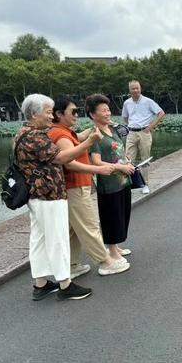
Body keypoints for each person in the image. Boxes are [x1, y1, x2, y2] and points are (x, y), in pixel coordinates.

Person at [15, 93, 103, 301]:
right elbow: (62, 157)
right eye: (47, 112)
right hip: (49, 194)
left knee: (39, 239)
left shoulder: (23, 132)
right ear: (35, 114)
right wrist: (89, 141)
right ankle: (65, 284)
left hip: (36, 195)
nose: (50, 116)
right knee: (57, 239)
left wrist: (84, 136)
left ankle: (41, 284)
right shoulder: (35, 136)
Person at [49, 96, 131, 277]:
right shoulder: (60, 134)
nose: (76, 115)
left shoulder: (63, 131)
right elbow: (68, 161)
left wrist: (87, 134)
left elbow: (75, 142)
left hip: (75, 186)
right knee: (89, 226)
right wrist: (97, 168)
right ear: (59, 114)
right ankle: (106, 261)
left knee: (73, 230)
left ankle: (70, 265)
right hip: (75, 186)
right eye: (73, 112)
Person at [86, 94, 136, 260]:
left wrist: (126, 160)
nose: (108, 113)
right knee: (111, 216)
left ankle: (117, 246)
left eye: (108, 110)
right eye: (103, 111)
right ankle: (112, 250)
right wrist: (121, 166)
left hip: (123, 180)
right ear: (93, 115)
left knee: (122, 213)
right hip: (109, 183)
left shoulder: (112, 129)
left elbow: (118, 150)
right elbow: (96, 161)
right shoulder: (95, 135)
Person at [122, 80, 166, 194]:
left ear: (140, 88)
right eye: (133, 88)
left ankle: (145, 184)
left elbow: (161, 113)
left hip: (144, 132)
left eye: (137, 88)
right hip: (131, 132)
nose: (135, 90)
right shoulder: (127, 103)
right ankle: (130, 184)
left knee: (145, 159)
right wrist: (131, 126)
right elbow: (125, 117)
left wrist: (151, 126)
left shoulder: (148, 101)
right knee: (128, 159)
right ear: (129, 90)